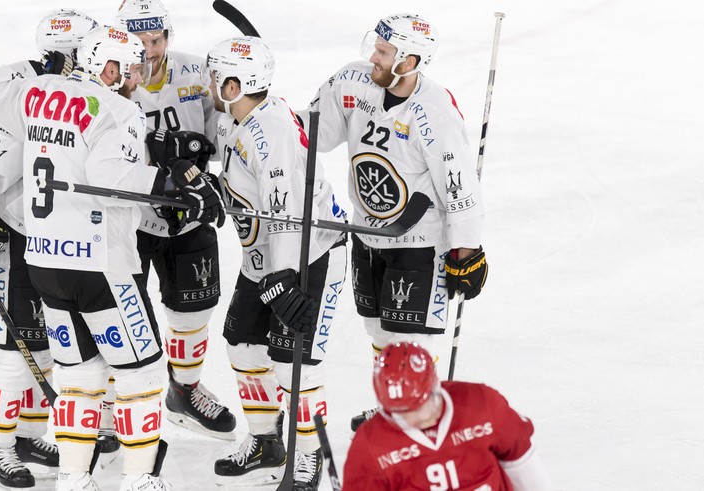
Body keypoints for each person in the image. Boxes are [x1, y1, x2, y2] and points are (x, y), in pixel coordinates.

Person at [0, 25, 224, 491]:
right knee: (143, 374)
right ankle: (139, 480)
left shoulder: (39, 93)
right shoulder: (119, 108)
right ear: (109, 69)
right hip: (101, 265)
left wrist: (38, 68)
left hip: (45, 260)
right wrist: (172, 188)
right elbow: (107, 173)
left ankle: (72, 479)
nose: (138, 77)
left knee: (79, 374)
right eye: (131, 69)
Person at [301, 14, 489, 431]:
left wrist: (466, 251)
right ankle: (396, 408)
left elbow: (459, 188)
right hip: (367, 233)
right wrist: (272, 121)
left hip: (418, 241)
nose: (374, 57)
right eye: (377, 47)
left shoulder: (436, 113)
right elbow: (314, 132)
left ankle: (419, 419)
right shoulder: (353, 82)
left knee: (410, 342)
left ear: (409, 61)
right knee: (380, 333)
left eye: (384, 53)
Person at [0, 9, 97, 490]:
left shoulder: (76, 100)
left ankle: (30, 434)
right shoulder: (30, 104)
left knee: (46, 342)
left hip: (50, 239)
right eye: (87, 51)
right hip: (16, 239)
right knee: (12, 348)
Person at [206, 36, 348, 490]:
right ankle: (267, 440)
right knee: (243, 345)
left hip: (310, 257)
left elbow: (288, 211)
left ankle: (311, 455)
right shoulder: (240, 118)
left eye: (216, 77)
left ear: (233, 85)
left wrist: (286, 279)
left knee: (295, 363)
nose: (209, 84)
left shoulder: (272, 133)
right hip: (264, 260)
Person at [109, 0, 235, 442]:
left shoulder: (196, 73)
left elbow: (224, 123)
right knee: (123, 314)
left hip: (190, 210)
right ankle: (111, 405)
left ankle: (184, 390)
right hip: (131, 217)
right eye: (139, 42)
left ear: (168, 37)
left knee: (195, 307)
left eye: (156, 40)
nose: (149, 50)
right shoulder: (109, 81)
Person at [343, 342, 552, 490]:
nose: (412, 420)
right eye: (399, 414)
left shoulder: (481, 403)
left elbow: (521, 461)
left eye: (420, 407)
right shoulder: (368, 447)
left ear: (435, 387)